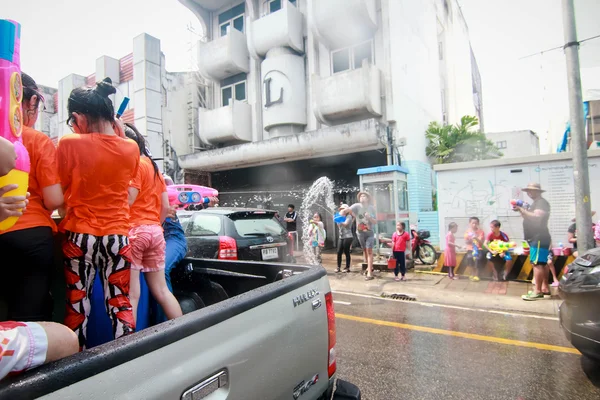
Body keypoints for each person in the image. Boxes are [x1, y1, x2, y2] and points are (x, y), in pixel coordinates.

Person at [57, 77, 139, 348]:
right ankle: (126, 360)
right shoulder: (131, 147)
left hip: (79, 237)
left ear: (79, 117)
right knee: (120, 303)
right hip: (118, 237)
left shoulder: (69, 144)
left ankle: (73, 367)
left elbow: (58, 195)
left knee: (77, 305)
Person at [0, 73, 64, 322]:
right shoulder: (37, 140)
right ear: (29, 103)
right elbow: (52, 199)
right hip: (31, 237)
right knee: (31, 320)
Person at [125, 124, 183, 324]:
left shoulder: (135, 165)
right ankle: (183, 330)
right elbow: (166, 207)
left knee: (132, 295)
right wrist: (154, 226)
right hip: (155, 233)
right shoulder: (154, 168)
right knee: (162, 291)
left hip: (135, 232)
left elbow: (128, 200)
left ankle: (128, 346)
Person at [517, 183, 552, 301]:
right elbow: (529, 218)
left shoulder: (541, 202)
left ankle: (537, 291)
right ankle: (544, 288)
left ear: (538, 191)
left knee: (537, 264)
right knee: (542, 263)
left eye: (531, 190)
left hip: (539, 237)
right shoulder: (536, 203)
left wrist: (523, 209)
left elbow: (537, 216)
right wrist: (522, 211)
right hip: (537, 238)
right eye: (528, 191)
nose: (529, 193)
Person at [341, 192, 377, 280]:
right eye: (360, 196)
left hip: (370, 233)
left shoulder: (371, 208)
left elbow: (375, 222)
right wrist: (342, 212)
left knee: (369, 251)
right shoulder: (356, 206)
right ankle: (369, 267)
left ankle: (369, 273)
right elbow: (347, 210)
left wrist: (369, 218)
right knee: (364, 250)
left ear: (368, 198)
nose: (362, 197)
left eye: (364, 196)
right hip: (360, 233)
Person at [464, 217, 485, 282]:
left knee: (478, 258)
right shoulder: (467, 232)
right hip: (470, 248)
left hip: (478, 249)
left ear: (478, 224)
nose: (474, 225)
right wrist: (470, 239)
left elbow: (481, 242)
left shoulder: (481, 232)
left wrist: (476, 238)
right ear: (470, 223)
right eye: (473, 223)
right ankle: (472, 273)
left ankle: (477, 275)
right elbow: (466, 242)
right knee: (469, 257)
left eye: (476, 223)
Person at [336, 204, 354, 273]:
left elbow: (346, 224)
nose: (341, 210)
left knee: (346, 252)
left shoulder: (348, 216)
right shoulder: (340, 216)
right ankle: (338, 267)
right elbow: (339, 227)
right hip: (341, 236)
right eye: (340, 209)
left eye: (343, 209)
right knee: (338, 252)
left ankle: (347, 267)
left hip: (348, 236)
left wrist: (340, 220)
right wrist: (338, 219)